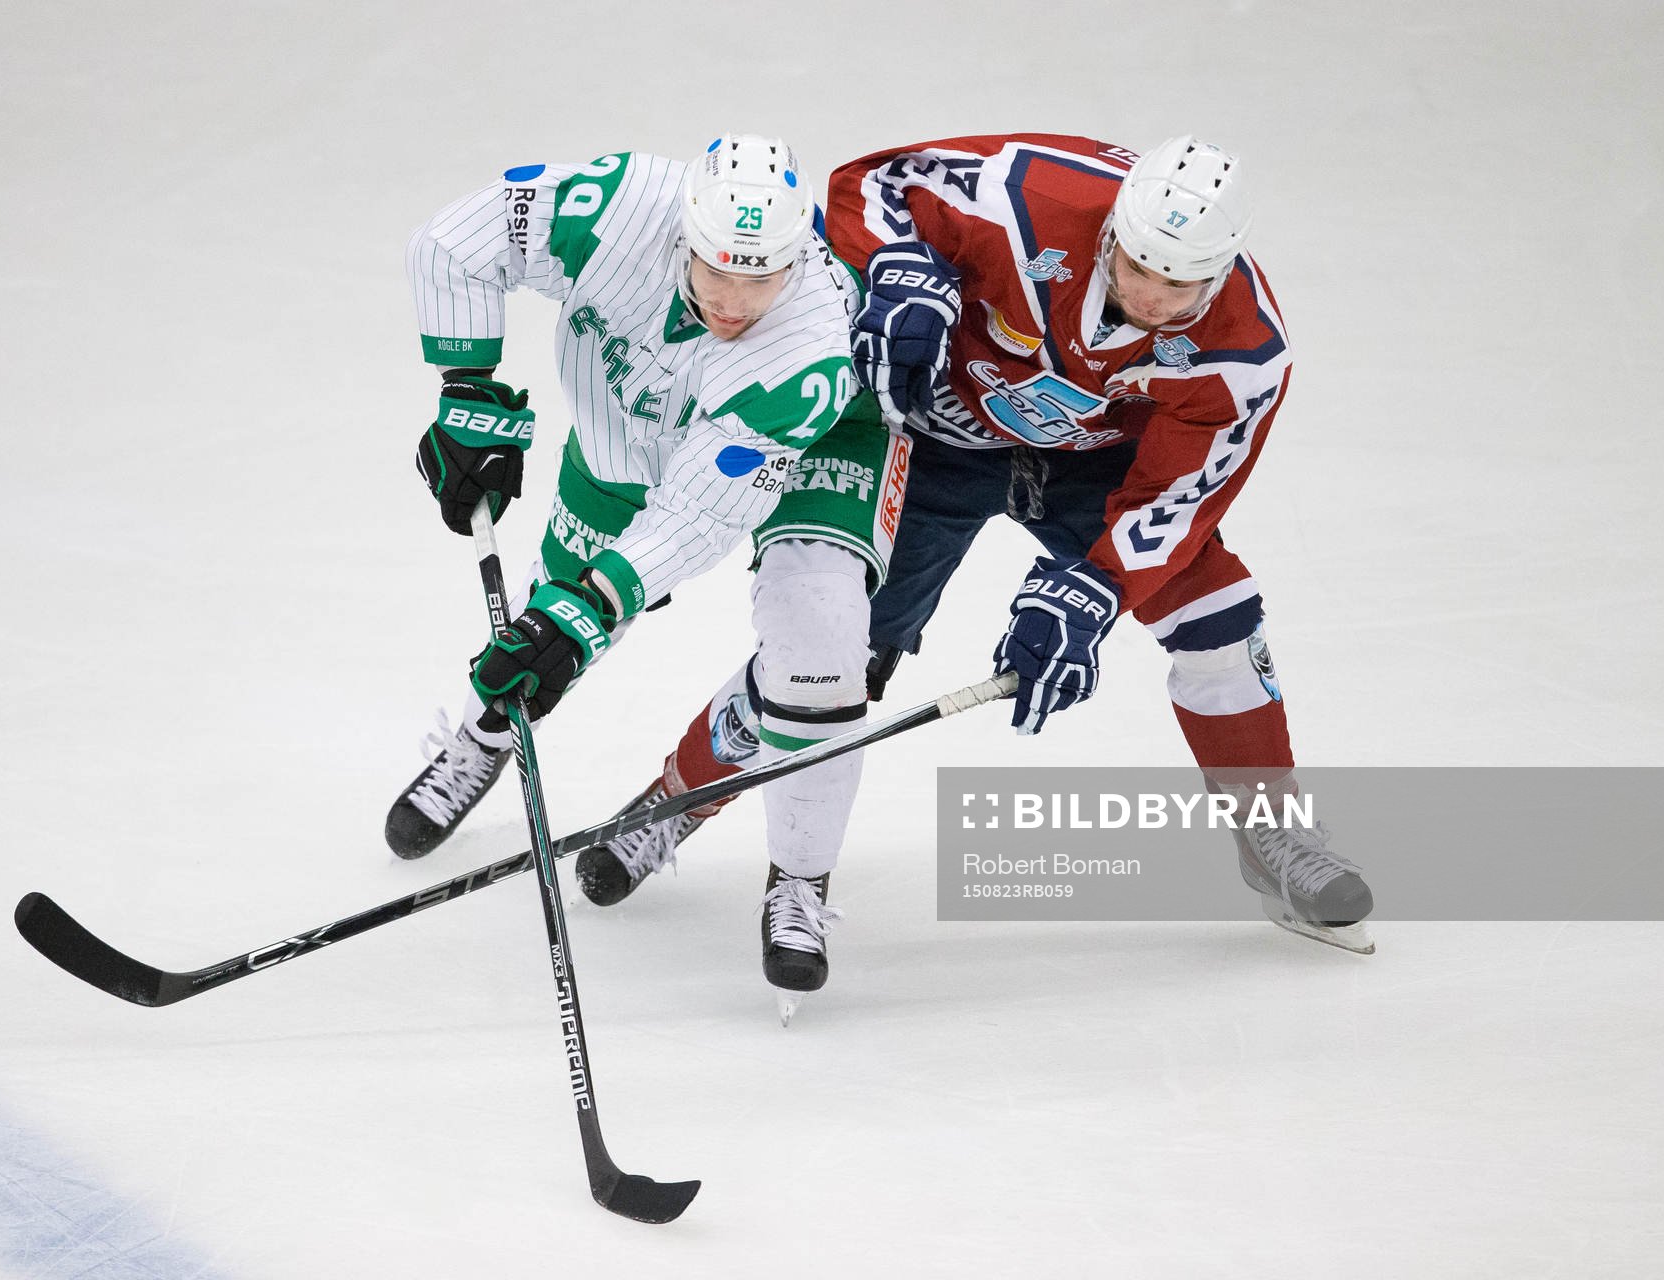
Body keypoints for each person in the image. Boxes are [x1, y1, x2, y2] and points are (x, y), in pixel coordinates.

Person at [583, 132, 1376, 956]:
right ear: (1111, 233)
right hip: (935, 436)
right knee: (826, 659)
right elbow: (868, 185)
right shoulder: (1027, 196)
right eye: (1137, 266)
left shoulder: (1247, 348)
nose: (1149, 295)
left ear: (1221, 271)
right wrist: (899, 266)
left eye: (1179, 286)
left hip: (1090, 466)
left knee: (1220, 618)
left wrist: (1096, 586)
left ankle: (1274, 834)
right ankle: (672, 802)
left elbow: (1181, 495)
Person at [387, 136, 908, 1012]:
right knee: (552, 611)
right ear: (684, 236)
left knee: (816, 642)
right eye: (716, 271)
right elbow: (455, 243)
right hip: (625, 423)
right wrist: (468, 388)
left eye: (761, 278)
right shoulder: (620, 205)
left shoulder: (808, 343)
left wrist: (592, 606)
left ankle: (801, 883)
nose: (735, 300)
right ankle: (484, 738)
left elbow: (699, 511)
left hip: (826, 441)